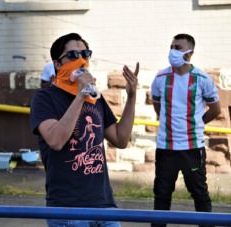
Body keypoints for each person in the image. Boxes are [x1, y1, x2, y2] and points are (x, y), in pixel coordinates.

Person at [30, 32, 139, 227]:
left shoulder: (94, 97)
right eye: (72, 55)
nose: (81, 60)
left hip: (104, 204)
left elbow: (121, 139)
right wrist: (80, 95)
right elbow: (56, 140)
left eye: (85, 54)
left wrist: (131, 97)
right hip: (68, 208)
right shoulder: (45, 98)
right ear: (57, 64)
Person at [150, 33, 221, 227]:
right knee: (162, 194)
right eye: (171, 46)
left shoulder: (202, 78)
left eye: (178, 47)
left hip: (192, 148)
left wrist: (197, 123)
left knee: (199, 193)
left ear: (190, 53)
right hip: (165, 147)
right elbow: (157, 105)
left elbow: (216, 109)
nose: (173, 51)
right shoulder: (160, 77)